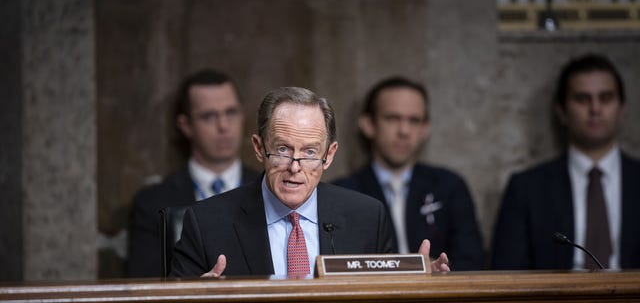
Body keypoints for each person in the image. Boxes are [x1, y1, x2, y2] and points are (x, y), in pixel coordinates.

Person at [170, 87, 450, 277]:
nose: (295, 167)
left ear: (329, 156)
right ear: (258, 148)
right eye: (282, 150)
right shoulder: (206, 224)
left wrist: (419, 288)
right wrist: (202, 298)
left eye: (310, 153)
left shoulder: (366, 217)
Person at [492, 53, 640, 270]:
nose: (595, 109)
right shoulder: (526, 189)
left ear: (622, 108)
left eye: (606, 98)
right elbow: (506, 275)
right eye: (583, 99)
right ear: (561, 111)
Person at [332, 77, 485, 271]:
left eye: (414, 120)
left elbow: (472, 261)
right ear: (368, 124)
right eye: (392, 118)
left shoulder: (450, 186)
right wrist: (408, 269)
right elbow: (339, 266)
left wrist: (440, 273)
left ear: (425, 129)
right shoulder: (342, 193)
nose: (404, 130)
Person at [128, 69, 259, 277]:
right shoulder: (152, 203)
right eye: (209, 116)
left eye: (231, 112)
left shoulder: (270, 189)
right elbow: (144, 288)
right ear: (186, 125)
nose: (223, 126)